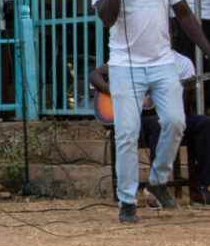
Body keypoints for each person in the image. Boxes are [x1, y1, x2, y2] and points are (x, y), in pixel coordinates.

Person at [92, 0, 210, 223]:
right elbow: (107, 17)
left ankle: (158, 180)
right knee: (127, 133)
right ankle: (128, 201)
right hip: (123, 65)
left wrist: (208, 50)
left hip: (162, 62)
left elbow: (183, 14)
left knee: (175, 122)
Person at [90, 51, 210, 205]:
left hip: (169, 117)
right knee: (158, 124)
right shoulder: (134, 56)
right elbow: (94, 76)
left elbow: (184, 106)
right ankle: (157, 188)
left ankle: (201, 187)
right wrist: (117, 93)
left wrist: (180, 93)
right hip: (140, 119)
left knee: (204, 123)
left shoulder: (183, 63)